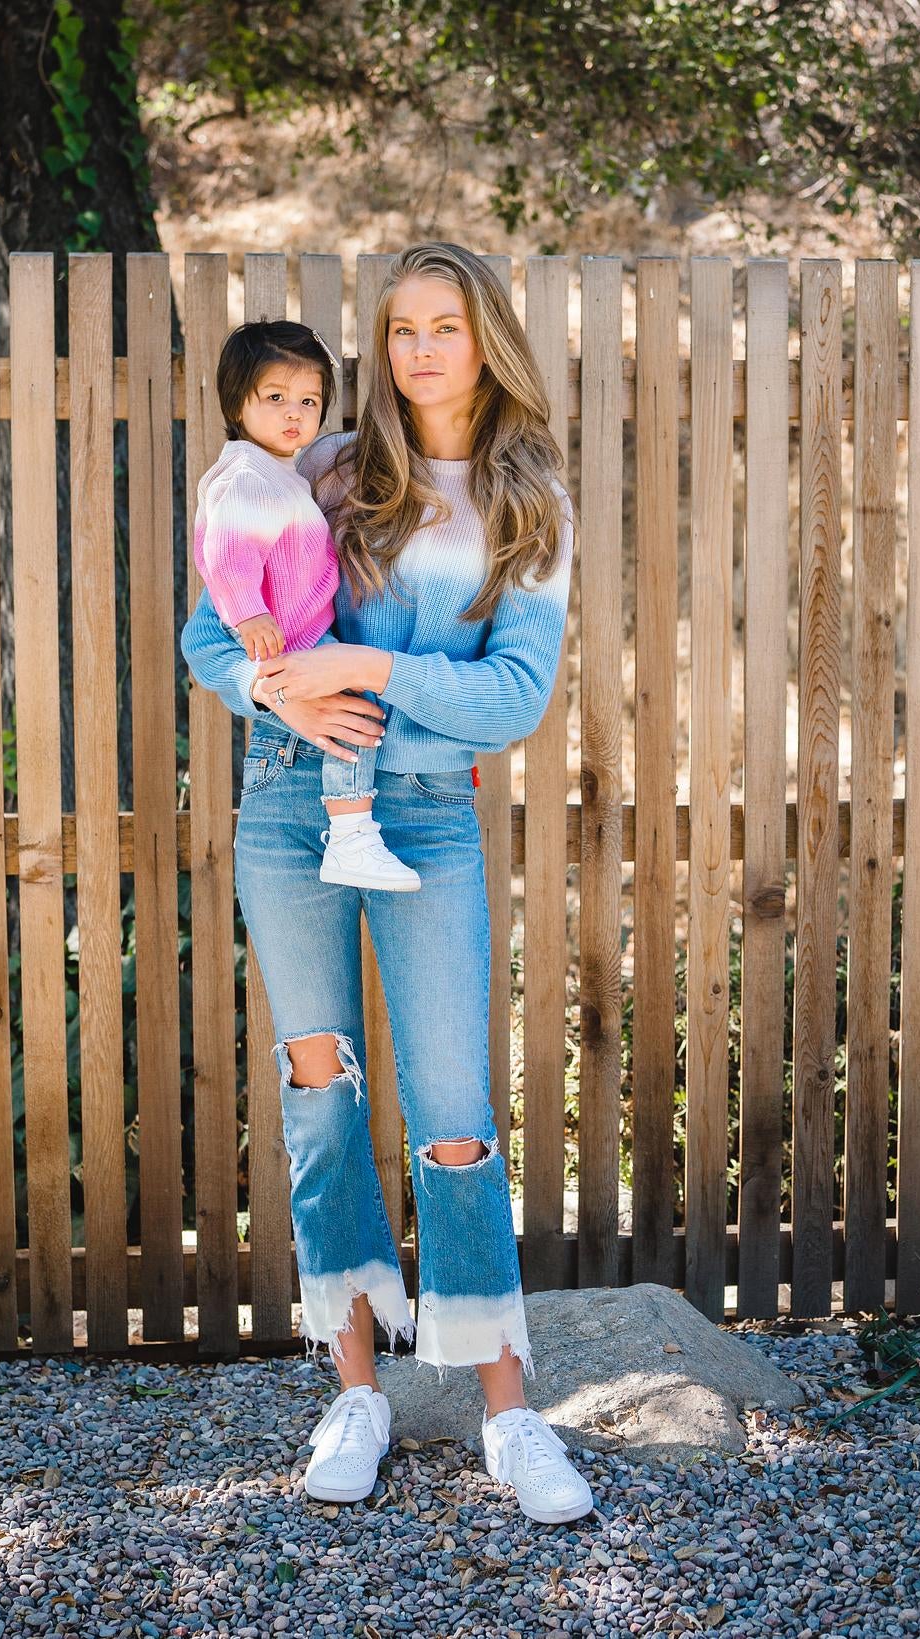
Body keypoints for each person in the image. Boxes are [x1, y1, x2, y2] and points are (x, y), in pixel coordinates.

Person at [181, 241, 592, 1524]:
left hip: (425, 813)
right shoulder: (329, 467)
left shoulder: (530, 503)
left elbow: (511, 695)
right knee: (318, 1088)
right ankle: (354, 1390)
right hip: (284, 804)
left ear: (487, 343)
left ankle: (509, 1416)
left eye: (445, 326)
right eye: (400, 328)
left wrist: (363, 679)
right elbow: (213, 627)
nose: (419, 349)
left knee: (454, 1110)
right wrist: (272, 687)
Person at [191, 319, 419, 891]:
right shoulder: (247, 477)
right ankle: (350, 832)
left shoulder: (281, 473)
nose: (295, 413)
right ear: (237, 402)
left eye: (309, 400)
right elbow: (224, 552)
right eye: (275, 397)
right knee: (354, 709)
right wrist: (246, 611)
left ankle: (351, 830)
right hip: (290, 637)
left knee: (352, 705)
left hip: (303, 630)